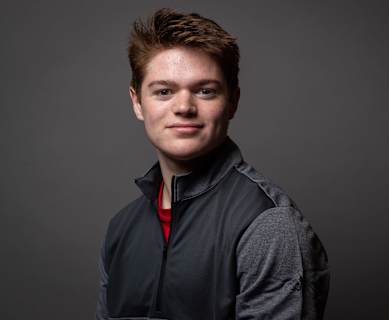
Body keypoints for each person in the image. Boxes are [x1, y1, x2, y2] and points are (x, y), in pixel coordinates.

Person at [96, 8, 329, 320]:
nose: (183, 107)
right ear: (137, 102)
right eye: (164, 91)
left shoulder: (269, 225)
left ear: (232, 102)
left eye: (205, 91)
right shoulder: (121, 229)